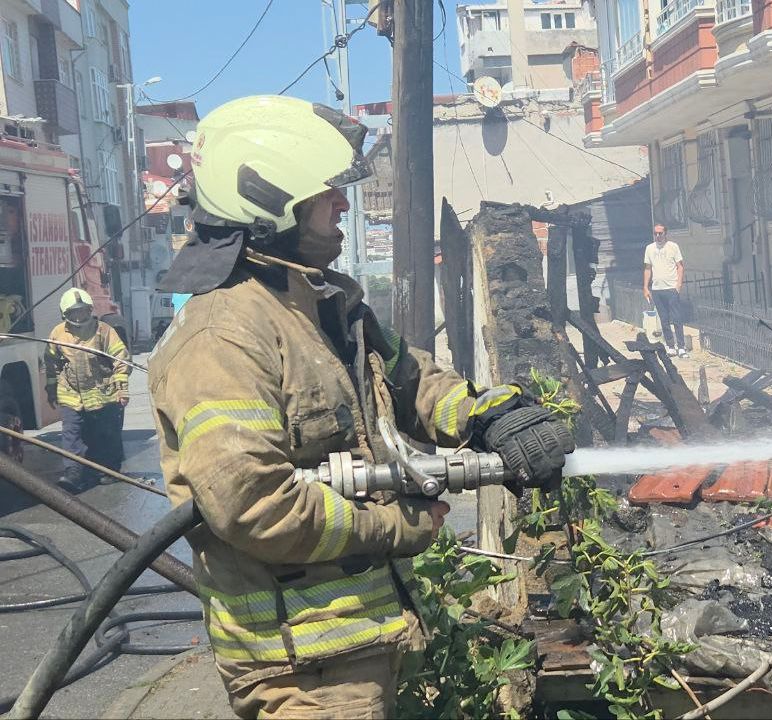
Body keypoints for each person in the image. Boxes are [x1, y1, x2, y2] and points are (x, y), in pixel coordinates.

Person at [148, 96, 574, 719]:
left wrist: (488, 416)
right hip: (303, 674)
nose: (343, 205)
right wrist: (398, 525)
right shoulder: (223, 337)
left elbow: (411, 380)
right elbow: (254, 505)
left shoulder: (325, 308)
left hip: (355, 652)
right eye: (327, 193)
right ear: (272, 201)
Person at [44, 287, 129, 489]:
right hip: (71, 394)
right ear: (65, 314)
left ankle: (110, 470)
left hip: (103, 394)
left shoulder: (104, 331)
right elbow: (51, 363)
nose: (78, 316)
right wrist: (51, 389)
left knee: (107, 434)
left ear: (89, 310)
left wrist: (122, 389)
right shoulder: (57, 334)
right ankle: (73, 472)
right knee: (71, 434)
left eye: (82, 311)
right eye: (74, 312)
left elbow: (121, 360)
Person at [642, 224, 688, 357]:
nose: (658, 236)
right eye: (655, 233)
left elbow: (680, 266)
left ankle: (681, 347)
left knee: (676, 318)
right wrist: (645, 287)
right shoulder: (649, 248)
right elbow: (647, 268)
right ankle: (671, 346)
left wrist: (678, 285)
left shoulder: (673, 247)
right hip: (657, 289)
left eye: (660, 233)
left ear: (665, 233)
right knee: (664, 319)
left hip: (671, 288)